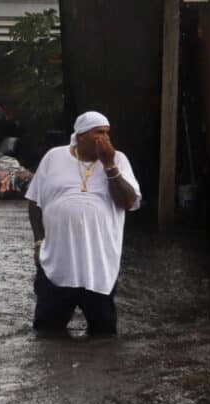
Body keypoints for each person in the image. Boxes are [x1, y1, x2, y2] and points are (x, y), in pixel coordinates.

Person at [25, 111, 141, 335]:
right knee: (47, 333)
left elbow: (128, 201)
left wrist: (109, 165)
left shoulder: (118, 160)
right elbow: (34, 201)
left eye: (107, 133)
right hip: (57, 261)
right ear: (80, 136)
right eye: (99, 133)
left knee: (103, 334)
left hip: (98, 264)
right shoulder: (54, 157)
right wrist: (39, 241)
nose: (105, 139)